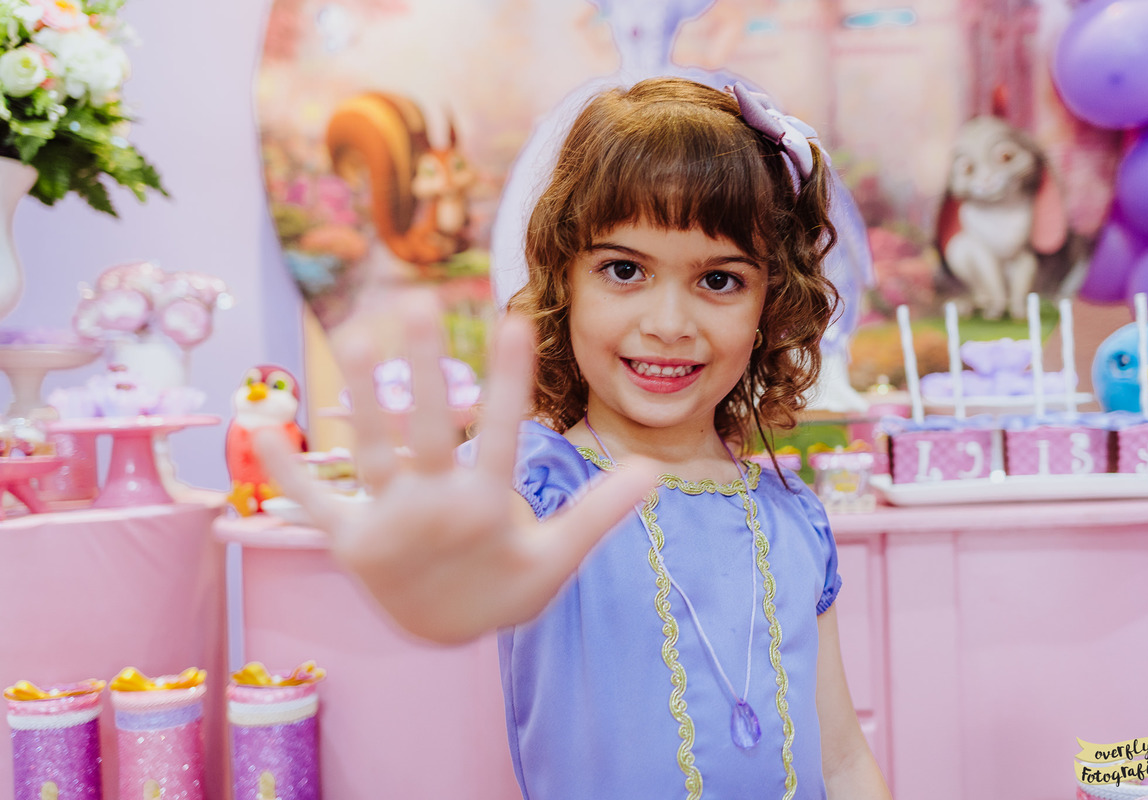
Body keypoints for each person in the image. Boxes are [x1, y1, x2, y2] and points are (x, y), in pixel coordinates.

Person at [259, 77, 891, 800]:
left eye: (719, 280)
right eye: (624, 270)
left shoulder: (796, 519)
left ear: (771, 303)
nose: (667, 322)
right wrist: (439, 582)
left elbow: (843, 762)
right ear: (564, 280)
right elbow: (483, 541)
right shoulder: (540, 484)